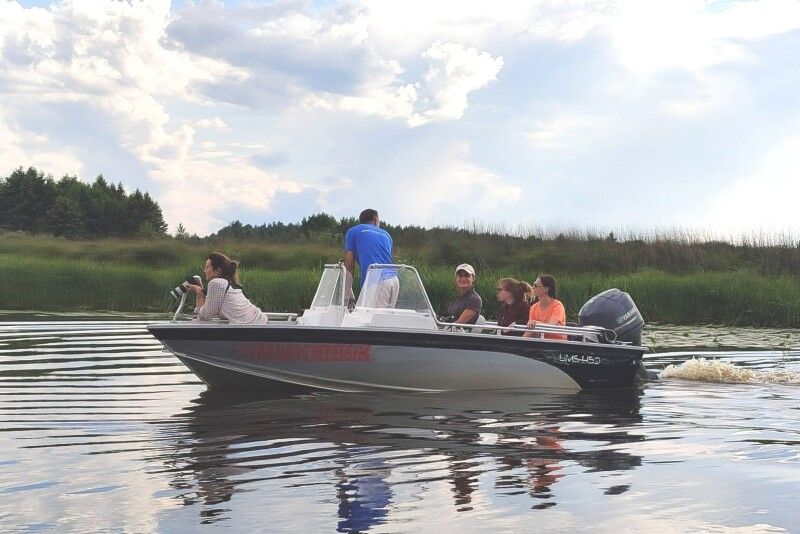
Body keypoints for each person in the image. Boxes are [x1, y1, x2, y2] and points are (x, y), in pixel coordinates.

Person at [185, 252, 269, 324]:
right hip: (261, 323)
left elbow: (204, 317)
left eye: (207, 267)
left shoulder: (216, 283)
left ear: (217, 271)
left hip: (255, 329)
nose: (204, 270)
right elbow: (208, 311)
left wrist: (199, 292)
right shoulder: (228, 283)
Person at [344, 208, 398, 308]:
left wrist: (345, 296)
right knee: (385, 318)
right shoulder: (387, 235)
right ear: (375, 220)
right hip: (394, 280)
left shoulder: (353, 231)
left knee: (369, 318)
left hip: (376, 280)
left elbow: (349, 264)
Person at [525, 274, 567, 340]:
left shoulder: (557, 306)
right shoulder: (533, 308)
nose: (532, 287)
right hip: (540, 342)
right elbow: (530, 330)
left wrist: (535, 323)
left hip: (557, 344)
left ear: (545, 289)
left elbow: (551, 326)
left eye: (535, 285)